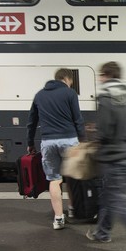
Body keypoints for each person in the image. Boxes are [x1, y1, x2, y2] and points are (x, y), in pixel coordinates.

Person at [85, 62, 126, 251]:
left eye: (100, 75)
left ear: (105, 75)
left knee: (121, 200)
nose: (99, 79)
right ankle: (102, 232)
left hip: (112, 155)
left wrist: (93, 133)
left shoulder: (105, 97)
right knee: (109, 194)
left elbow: (105, 130)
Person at [27, 68, 85, 230]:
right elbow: (78, 119)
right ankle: (73, 211)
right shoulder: (70, 93)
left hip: (48, 142)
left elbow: (31, 122)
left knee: (54, 179)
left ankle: (58, 218)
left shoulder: (39, 95)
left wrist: (30, 142)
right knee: (72, 177)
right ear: (67, 78)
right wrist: (83, 140)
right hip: (69, 140)